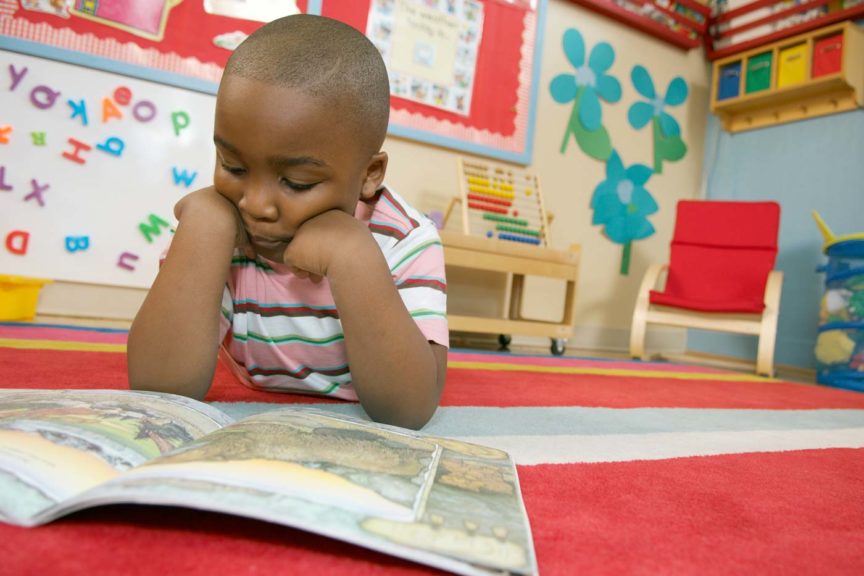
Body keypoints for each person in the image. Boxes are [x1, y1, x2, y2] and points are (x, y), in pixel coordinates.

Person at [127, 14, 448, 430]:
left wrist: (354, 258)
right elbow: (159, 388)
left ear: (369, 176)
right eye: (233, 166)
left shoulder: (406, 239)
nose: (256, 205)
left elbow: (409, 410)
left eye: (296, 183)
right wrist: (204, 235)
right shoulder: (220, 222)